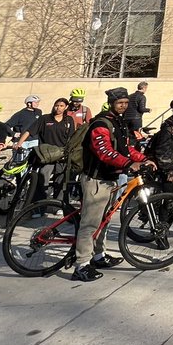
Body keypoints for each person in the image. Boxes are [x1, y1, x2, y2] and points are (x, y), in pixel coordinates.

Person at [73, 87, 148, 282]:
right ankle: (81, 264)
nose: (123, 106)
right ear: (112, 103)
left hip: (112, 178)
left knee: (104, 220)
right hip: (96, 179)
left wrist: (144, 158)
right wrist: (129, 163)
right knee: (90, 223)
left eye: (125, 103)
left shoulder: (119, 122)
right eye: (119, 103)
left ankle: (98, 256)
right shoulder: (101, 124)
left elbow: (126, 148)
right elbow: (104, 151)